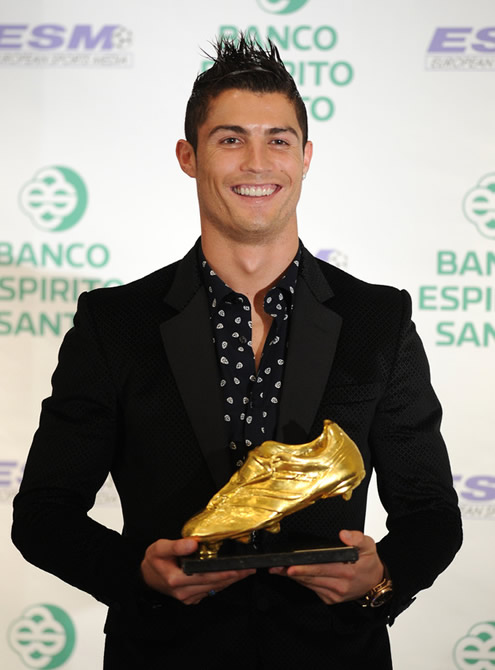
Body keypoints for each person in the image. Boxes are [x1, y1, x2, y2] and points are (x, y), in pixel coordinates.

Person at [12, 36, 462, 669]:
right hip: (165, 654)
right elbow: (43, 515)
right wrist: (137, 577)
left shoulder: (377, 320)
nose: (258, 162)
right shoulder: (114, 323)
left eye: (278, 140)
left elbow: (433, 513)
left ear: (305, 158)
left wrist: (383, 579)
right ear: (188, 157)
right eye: (230, 139)